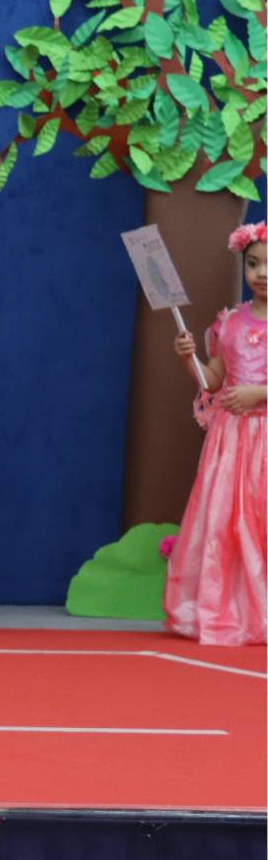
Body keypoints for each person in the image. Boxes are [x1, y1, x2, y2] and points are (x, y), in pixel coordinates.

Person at [163, 221, 266, 645]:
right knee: (226, 524)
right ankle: (230, 609)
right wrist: (190, 360)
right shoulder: (230, 322)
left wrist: (260, 392)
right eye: (253, 264)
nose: (261, 273)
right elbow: (214, 381)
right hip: (231, 441)